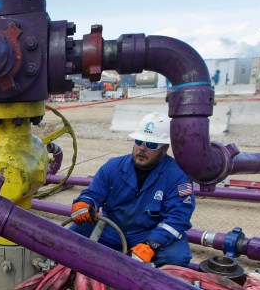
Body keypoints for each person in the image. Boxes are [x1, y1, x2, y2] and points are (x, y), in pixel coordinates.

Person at [69, 112, 195, 267]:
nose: (142, 148)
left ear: (165, 148)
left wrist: (152, 244)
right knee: (70, 237)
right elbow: (93, 193)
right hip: (112, 230)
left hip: (149, 233)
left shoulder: (177, 176)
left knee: (176, 258)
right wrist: (84, 203)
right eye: (139, 141)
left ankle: (149, 286)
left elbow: (177, 219)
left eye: (151, 144)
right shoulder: (114, 166)